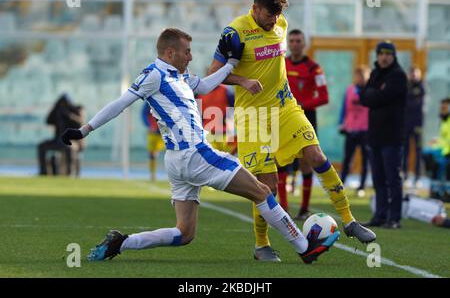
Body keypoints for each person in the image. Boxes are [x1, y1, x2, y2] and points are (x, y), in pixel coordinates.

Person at [60, 28, 340, 264]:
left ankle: (121, 243)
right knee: (262, 191)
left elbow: (205, 86)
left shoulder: (180, 76)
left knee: (185, 234)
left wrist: (231, 65)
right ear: (170, 53)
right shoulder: (154, 74)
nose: (191, 56)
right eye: (187, 51)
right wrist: (85, 130)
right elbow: (120, 104)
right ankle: (305, 248)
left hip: (177, 162)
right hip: (196, 153)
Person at [208, 0, 375, 262]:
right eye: (268, 15)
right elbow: (213, 73)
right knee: (266, 185)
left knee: (316, 155)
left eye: (277, 15)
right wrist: (242, 80)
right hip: (254, 117)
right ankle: (262, 245)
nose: (273, 20)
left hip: (286, 107)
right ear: (255, 8)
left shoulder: (281, 23)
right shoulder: (234, 33)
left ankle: (348, 220)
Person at [280, 28, 329, 219]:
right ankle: (283, 207)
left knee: (306, 163)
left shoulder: (314, 68)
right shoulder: (281, 65)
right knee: (281, 161)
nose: (294, 44)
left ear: (304, 43)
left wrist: (302, 105)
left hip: (306, 117)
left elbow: (324, 97)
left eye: (298, 41)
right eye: (291, 41)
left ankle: (303, 208)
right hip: (284, 117)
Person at [359, 41, 408, 229]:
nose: (384, 57)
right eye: (381, 53)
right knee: (378, 178)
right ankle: (380, 216)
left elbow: (381, 97)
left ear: (393, 56)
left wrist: (374, 95)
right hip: (375, 135)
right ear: (377, 55)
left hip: (392, 136)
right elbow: (364, 97)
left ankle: (394, 218)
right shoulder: (376, 73)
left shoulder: (398, 76)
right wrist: (375, 95)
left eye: (388, 54)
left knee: (392, 178)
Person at [339, 66, 370, 197]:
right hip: (351, 129)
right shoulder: (350, 90)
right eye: (358, 75)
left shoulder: (370, 91)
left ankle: (361, 186)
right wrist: (341, 123)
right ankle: (341, 185)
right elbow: (344, 108)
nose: (360, 78)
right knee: (347, 159)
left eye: (363, 75)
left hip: (366, 130)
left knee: (365, 160)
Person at [37, 94, 84, 176]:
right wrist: (55, 109)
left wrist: (68, 114)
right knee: (42, 146)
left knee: (68, 148)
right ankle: (44, 172)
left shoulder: (74, 111)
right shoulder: (58, 112)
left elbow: (79, 123)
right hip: (58, 140)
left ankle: (69, 173)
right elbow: (48, 121)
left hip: (71, 141)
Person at [196, 84, 237, 154]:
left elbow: (236, 109)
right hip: (208, 134)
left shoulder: (226, 91)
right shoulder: (198, 93)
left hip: (225, 134)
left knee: (230, 159)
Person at [403, 66, 425, 186]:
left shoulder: (422, 86)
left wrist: (410, 100)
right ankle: (405, 175)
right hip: (406, 124)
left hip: (418, 125)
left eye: (416, 74)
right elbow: (404, 102)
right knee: (405, 151)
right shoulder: (406, 86)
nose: (414, 76)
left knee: (418, 151)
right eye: (412, 74)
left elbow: (418, 104)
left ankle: (417, 177)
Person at [141, 103, 164, 181]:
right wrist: (149, 125)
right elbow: (143, 114)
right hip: (153, 131)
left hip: (163, 131)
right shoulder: (148, 102)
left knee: (156, 153)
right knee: (151, 154)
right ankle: (152, 174)